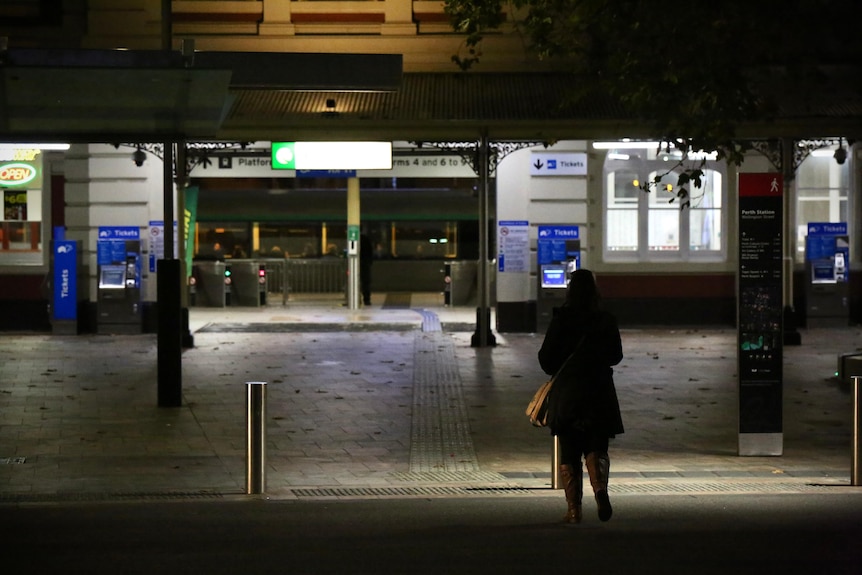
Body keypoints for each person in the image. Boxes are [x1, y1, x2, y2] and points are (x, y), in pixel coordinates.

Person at [538, 268, 623, 524]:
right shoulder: (605, 319)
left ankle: (574, 510)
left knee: (569, 449)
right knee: (597, 444)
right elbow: (616, 356)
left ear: (570, 292)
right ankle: (600, 491)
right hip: (598, 390)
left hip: (568, 391)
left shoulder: (561, 319)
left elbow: (546, 360)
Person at [359, 234, 373, 305]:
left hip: (359, 262)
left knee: (355, 281)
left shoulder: (354, 238)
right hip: (365, 263)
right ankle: (366, 299)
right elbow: (370, 251)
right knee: (366, 282)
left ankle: (356, 298)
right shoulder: (366, 239)